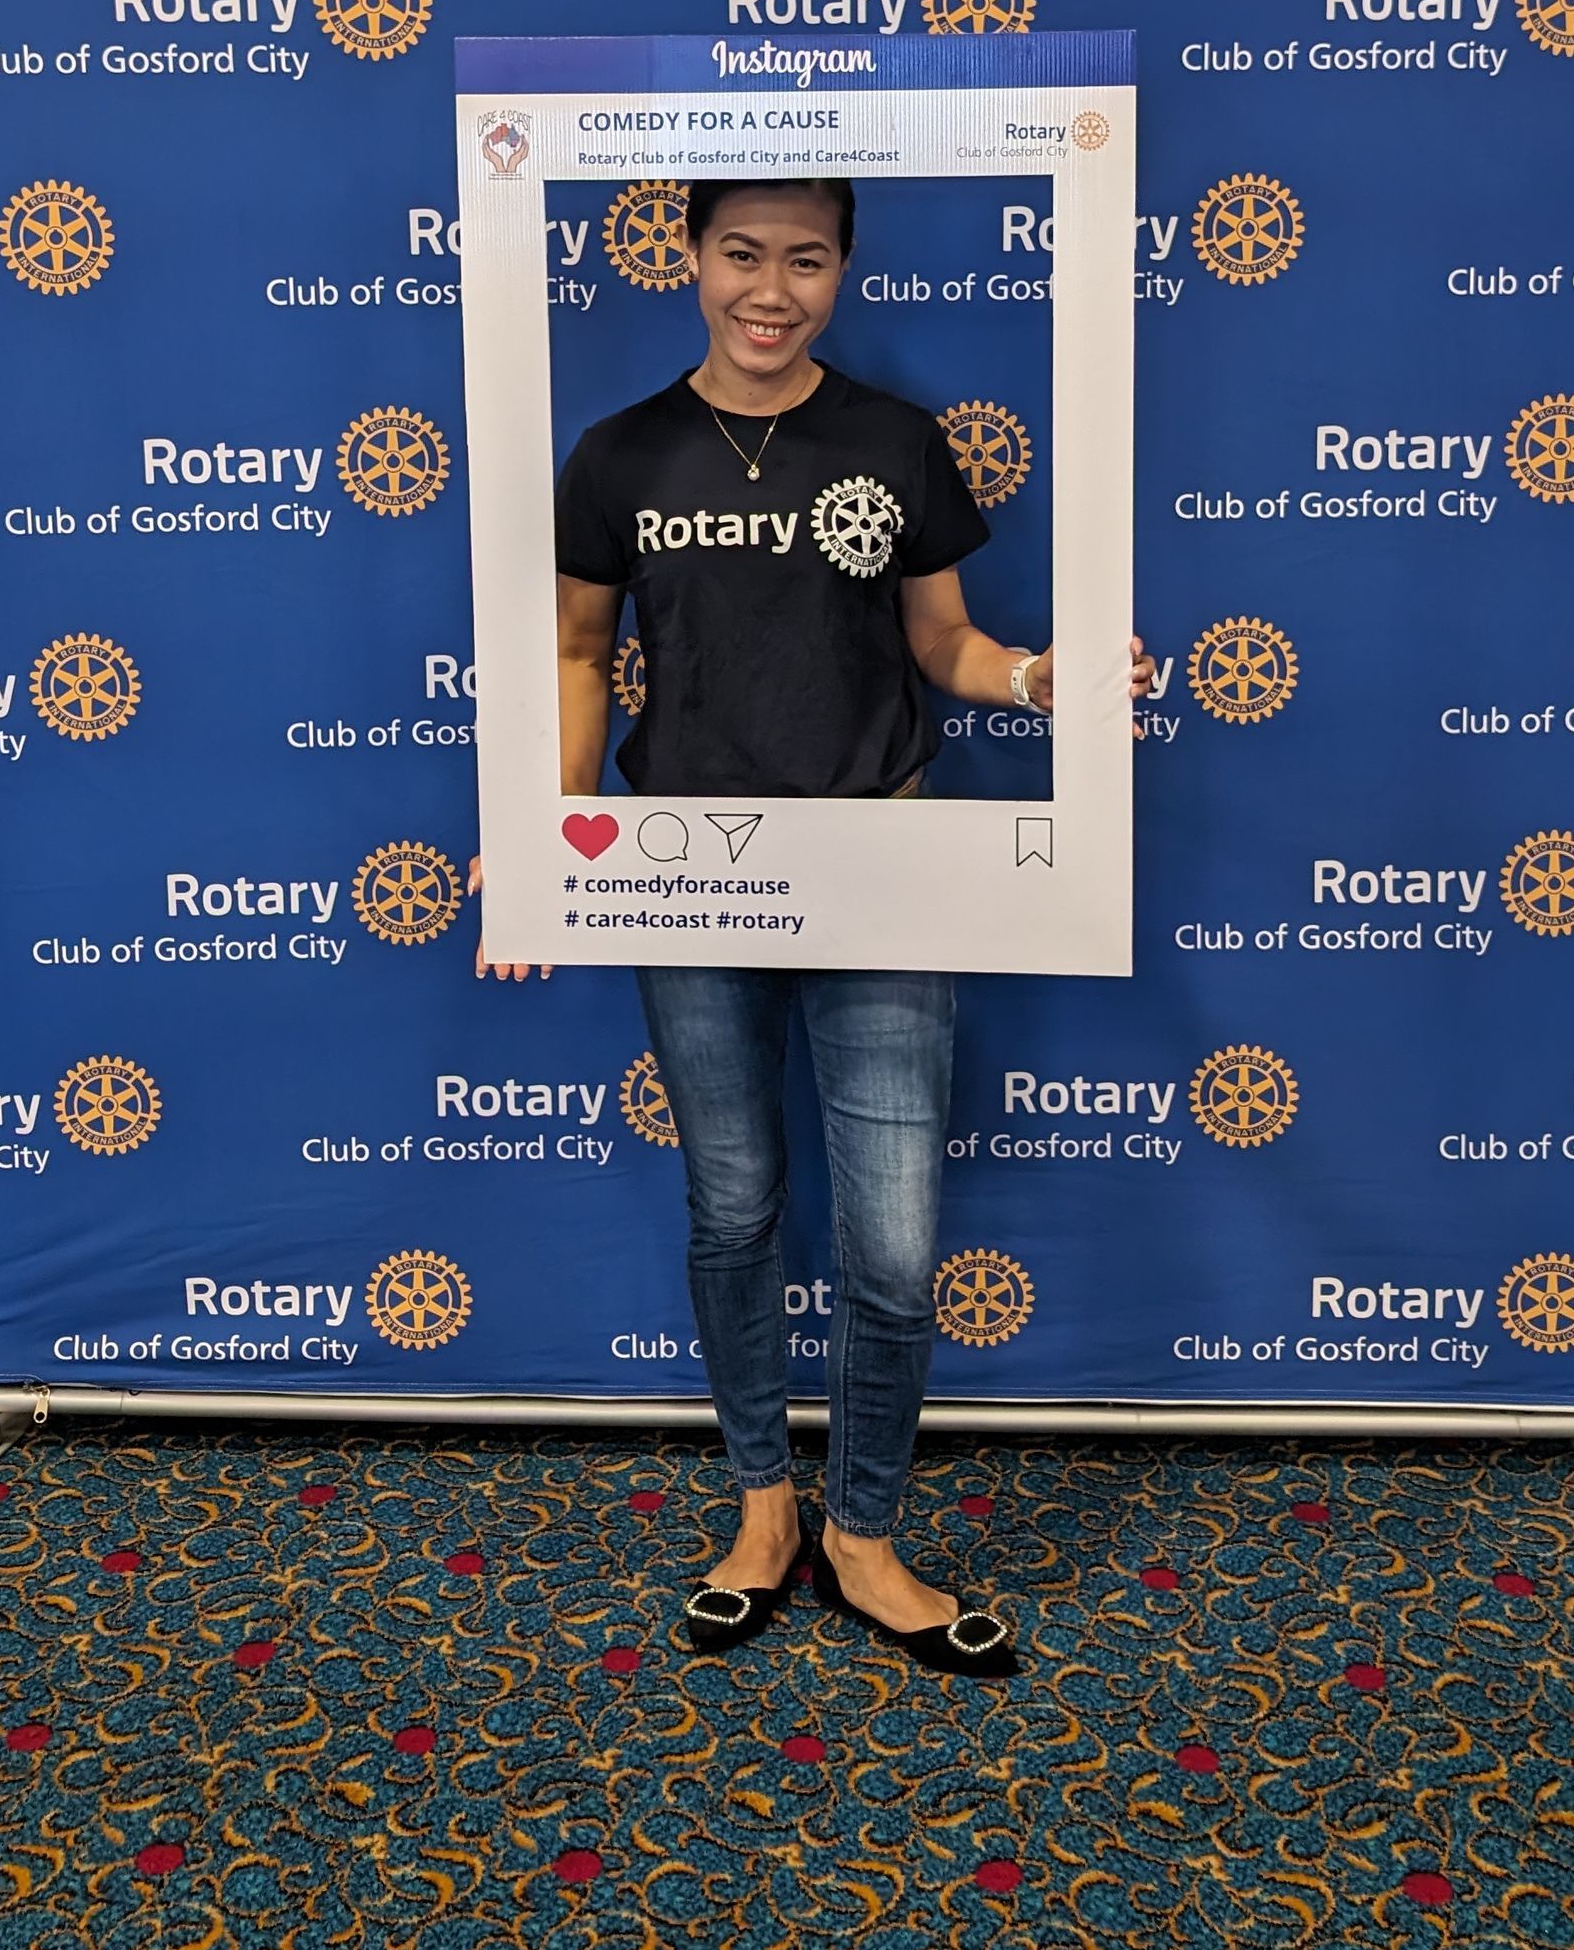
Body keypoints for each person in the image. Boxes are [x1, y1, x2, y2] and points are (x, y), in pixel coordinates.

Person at [477, 177, 1152, 1674]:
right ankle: (763, 1509)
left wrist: (1047, 682)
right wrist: (544, 846)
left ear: (842, 267)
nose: (769, 288)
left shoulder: (894, 442)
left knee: (894, 1246)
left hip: (883, 869)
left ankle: (864, 1532)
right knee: (732, 1207)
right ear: (691, 256)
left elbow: (946, 645)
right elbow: (581, 654)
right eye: (741, 253)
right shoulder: (620, 454)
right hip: (686, 877)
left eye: (805, 257)